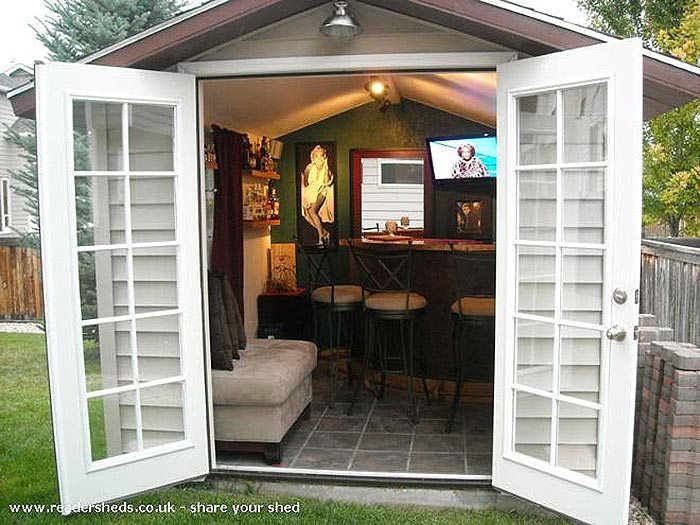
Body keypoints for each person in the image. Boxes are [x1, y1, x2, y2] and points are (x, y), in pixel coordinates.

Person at [301, 145, 334, 245]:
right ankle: (324, 233)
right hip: (312, 192)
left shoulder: (326, 169)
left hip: (322, 192)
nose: (319, 159)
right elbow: (306, 182)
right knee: (307, 213)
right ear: (314, 158)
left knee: (312, 211)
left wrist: (327, 166)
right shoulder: (310, 168)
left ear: (324, 157)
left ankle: (321, 238)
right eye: (317, 156)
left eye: (321, 156)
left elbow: (327, 182)